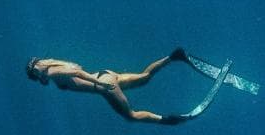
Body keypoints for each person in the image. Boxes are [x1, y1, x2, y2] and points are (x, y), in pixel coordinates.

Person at [26, 50, 190, 124]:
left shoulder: (52, 72)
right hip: (105, 74)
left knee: (131, 116)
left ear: (38, 68)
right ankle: (173, 57)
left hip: (104, 85)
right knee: (144, 77)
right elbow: (70, 71)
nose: (38, 77)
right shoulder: (54, 65)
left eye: (35, 74)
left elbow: (77, 73)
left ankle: (169, 120)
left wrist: (99, 83)